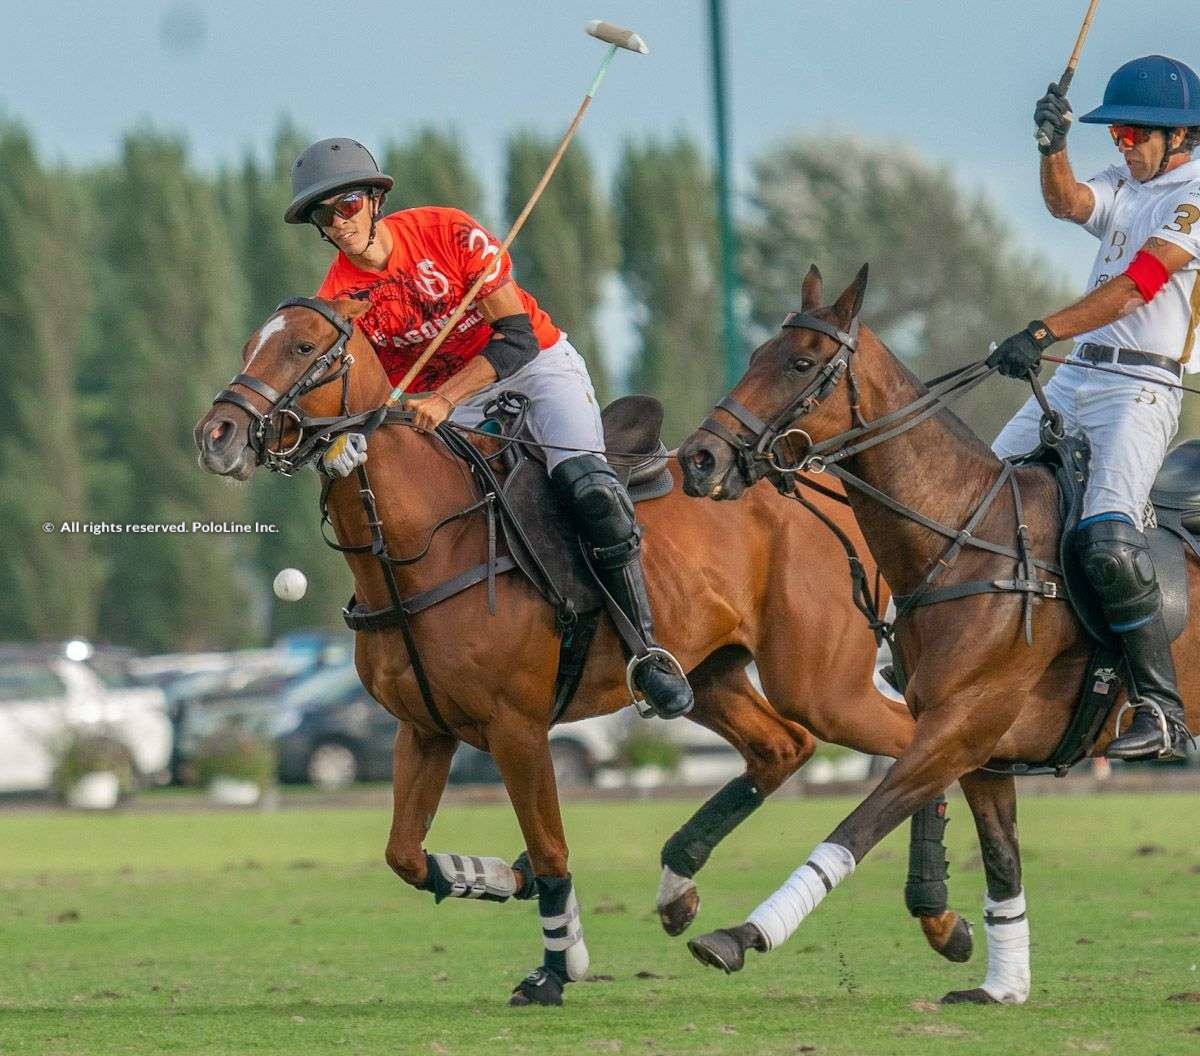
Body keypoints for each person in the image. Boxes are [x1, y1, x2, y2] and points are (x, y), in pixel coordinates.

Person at [282, 137, 693, 720]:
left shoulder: (448, 233)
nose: (338, 223)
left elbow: (518, 339)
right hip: (449, 404)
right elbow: (359, 396)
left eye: (346, 205)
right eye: (323, 216)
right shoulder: (340, 298)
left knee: (589, 488)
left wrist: (446, 397)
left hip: (533, 370)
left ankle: (647, 653)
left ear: (374, 200)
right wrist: (345, 442)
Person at [988, 55, 1200, 759]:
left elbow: (1140, 285)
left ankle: (1162, 711)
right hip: (1079, 373)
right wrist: (1054, 145)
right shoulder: (1126, 182)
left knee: (1107, 540)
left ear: (1178, 136)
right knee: (979, 497)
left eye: (1133, 135)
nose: (1124, 147)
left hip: (1138, 390)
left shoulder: (1192, 194)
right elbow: (1067, 203)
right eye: (1115, 137)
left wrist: (1043, 330)